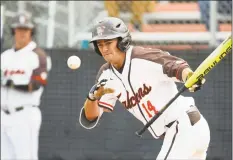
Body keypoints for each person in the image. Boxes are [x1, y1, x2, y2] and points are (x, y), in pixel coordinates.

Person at [79, 17, 210, 159]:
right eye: (100, 44)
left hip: (182, 125)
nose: (104, 49)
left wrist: (189, 76)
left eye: (109, 42)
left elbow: (176, 66)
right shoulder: (105, 76)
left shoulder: (142, 57)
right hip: (184, 132)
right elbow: (90, 119)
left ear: (122, 41)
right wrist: (92, 97)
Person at [1, 12, 52, 160]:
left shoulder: (38, 55)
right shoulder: (4, 56)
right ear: (13, 31)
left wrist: (8, 83)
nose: (22, 33)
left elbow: (36, 85)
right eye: (19, 29)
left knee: (25, 157)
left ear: (31, 32)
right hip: (3, 115)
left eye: (26, 29)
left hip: (24, 115)